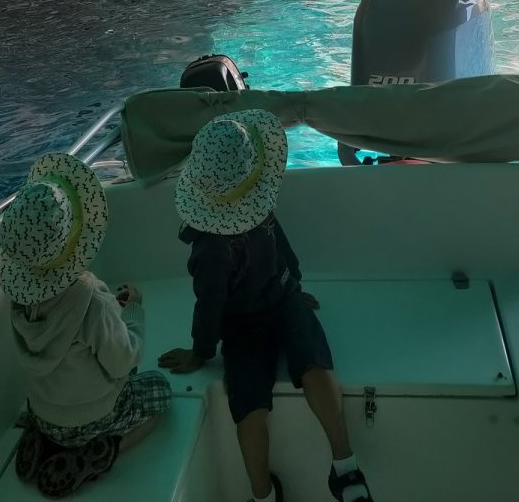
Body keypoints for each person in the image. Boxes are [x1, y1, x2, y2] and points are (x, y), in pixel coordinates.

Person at [159, 110, 374, 502]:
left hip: (243, 323)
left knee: (250, 405)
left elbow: (210, 305)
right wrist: (295, 286)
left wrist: (201, 351)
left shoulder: (209, 248)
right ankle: (345, 467)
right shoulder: (259, 210)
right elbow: (283, 253)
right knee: (313, 365)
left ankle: (264, 494)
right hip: (282, 300)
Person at [0, 152, 170, 498]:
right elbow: (124, 359)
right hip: (94, 419)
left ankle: (44, 440)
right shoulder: (91, 299)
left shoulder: (20, 299)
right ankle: (103, 452)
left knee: (59, 404)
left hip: (44, 412)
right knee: (160, 393)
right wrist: (133, 310)